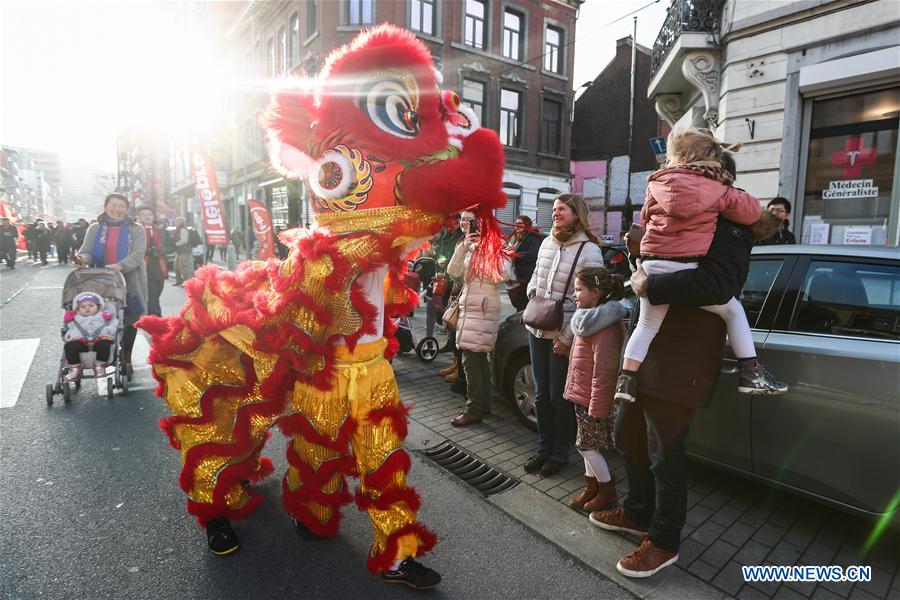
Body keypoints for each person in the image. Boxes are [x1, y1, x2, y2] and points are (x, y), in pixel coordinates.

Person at [614, 128, 786, 404]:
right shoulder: (717, 191)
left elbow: (644, 221)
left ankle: (625, 379)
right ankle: (751, 371)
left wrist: (641, 250)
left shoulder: (656, 184)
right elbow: (750, 211)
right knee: (734, 311)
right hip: (685, 266)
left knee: (646, 326)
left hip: (653, 263)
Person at [523, 193, 604, 477]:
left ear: (576, 214)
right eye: (555, 209)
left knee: (559, 398)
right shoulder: (547, 241)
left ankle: (559, 454)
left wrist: (567, 337)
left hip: (563, 332)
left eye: (562, 210)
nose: (555, 213)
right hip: (536, 327)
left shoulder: (589, 250)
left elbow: (590, 301)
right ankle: (543, 448)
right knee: (541, 395)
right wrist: (533, 294)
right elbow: (536, 274)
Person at [565, 266, 628, 513]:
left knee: (586, 446)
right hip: (583, 395)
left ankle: (607, 491)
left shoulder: (604, 327)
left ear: (596, 292)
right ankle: (591, 488)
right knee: (588, 445)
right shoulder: (588, 319)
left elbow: (605, 373)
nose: (574, 294)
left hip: (593, 400)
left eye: (579, 289)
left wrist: (598, 409)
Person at [446, 210, 507, 426]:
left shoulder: (495, 242)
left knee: (471, 359)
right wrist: (463, 247)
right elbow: (453, 271)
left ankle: (474, 410)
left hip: (482, 307)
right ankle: (483, 405)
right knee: (478, 359)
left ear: (481, 222)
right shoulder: (465, 243)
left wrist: (485, 251)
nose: (465, 223)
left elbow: (503, 274)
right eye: (462, 219)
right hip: (469, 305)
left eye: (470, 220)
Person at [75, 192, 148, 373]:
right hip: (99, 280)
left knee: (130, 318)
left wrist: (120, 266)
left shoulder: (136, 228)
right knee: (102, 315)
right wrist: (82, 260)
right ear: (106, 206)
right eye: (113, 205)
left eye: (122, 206)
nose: (117, 209)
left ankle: (127, 355)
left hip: (129, 279)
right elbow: (86, 251)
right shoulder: (95, 228)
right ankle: (104, 352)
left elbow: (138, 253)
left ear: (127, 209)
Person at [62, 292, 118, 382]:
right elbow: (68, 327)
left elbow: (114, 325)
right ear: (78, 309)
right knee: (69, 346)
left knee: (105, 344)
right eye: (83, 307)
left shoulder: (103, 316)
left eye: (91, 306)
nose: (87, 308)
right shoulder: (75, 318)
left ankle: (99, 365)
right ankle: (75, 368)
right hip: (80, 341)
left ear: (98, 307)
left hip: (99, 339)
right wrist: (68, 318)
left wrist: (107, 330)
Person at [505, 215, 542, 310]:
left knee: (523, 305)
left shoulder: (532, 237)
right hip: (516, 276)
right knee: (518, 303)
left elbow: (534, 254)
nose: (517, 226)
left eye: (520, 223)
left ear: (526, 224)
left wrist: (516, 254)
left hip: (526, 278)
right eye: (516, 224)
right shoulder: (515, 237)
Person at [137, 206, 167, 317]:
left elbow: (171, 246)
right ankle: (157, 319)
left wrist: (161, 250)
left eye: (149, 214)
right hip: (144, 267)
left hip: (159, 267)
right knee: (152, 296)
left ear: (153, 216)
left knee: (157, 292)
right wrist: (146, 251)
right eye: (143, 215)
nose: (147, 217)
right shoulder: (136, 231)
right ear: (139, 217)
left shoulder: (161, 230)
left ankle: (150, 316)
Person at [172, 217, 194, 286]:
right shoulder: (178, 230)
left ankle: (188, 282)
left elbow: (184, 240)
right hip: (179, 251)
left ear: (182, 222)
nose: (177, 223)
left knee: (184, 267)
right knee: (176, 267)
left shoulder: (183, 229)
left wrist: (175, 244)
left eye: (179, 221)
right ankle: (179, 280)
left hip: (185, 251)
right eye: (176, 221)